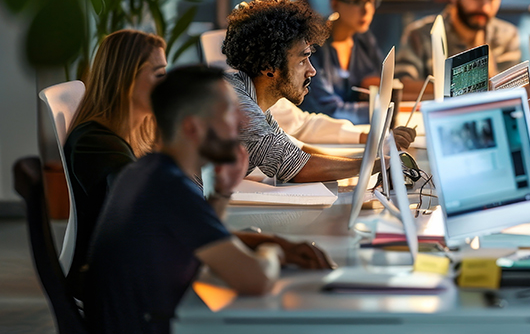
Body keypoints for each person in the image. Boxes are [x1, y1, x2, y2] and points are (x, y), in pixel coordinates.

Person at [83, 66, 333, 334]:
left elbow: (204, 236)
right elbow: (256, 280)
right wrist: (276, 252)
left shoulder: (146, 171)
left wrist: (224, 194)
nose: (241, 122)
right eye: (228, 112)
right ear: (193, 127)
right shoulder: (172, 188)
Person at [222, 0, 414, 182]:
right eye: (302, 60)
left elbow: (297, 150)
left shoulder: (253, 102)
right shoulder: (241, 108)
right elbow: (296, 168)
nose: (311, 70)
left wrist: (375, 154)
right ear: (268, 66)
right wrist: (379, 164)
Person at [63, 29, 167, 295]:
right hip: (112, 285)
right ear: (126, 79)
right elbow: (147, 212)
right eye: (159, 75)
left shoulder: (139, 133)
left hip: (132, 269)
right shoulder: (95, 143)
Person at [396, 0, 521, 94]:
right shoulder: (420, 34)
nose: (485, 7)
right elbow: (402, 87)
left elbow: (510, 94)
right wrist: (465, 85)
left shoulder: (507, 35)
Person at [300, 0, 383, 124]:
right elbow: (327, 111)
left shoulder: (364, 39)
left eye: (370, 0)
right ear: (335, 3)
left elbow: (383, 85)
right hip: (321, 137)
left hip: (357, 132)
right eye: (356, 0)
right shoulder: (315, 44)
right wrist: (383, 109)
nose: (366, 9)